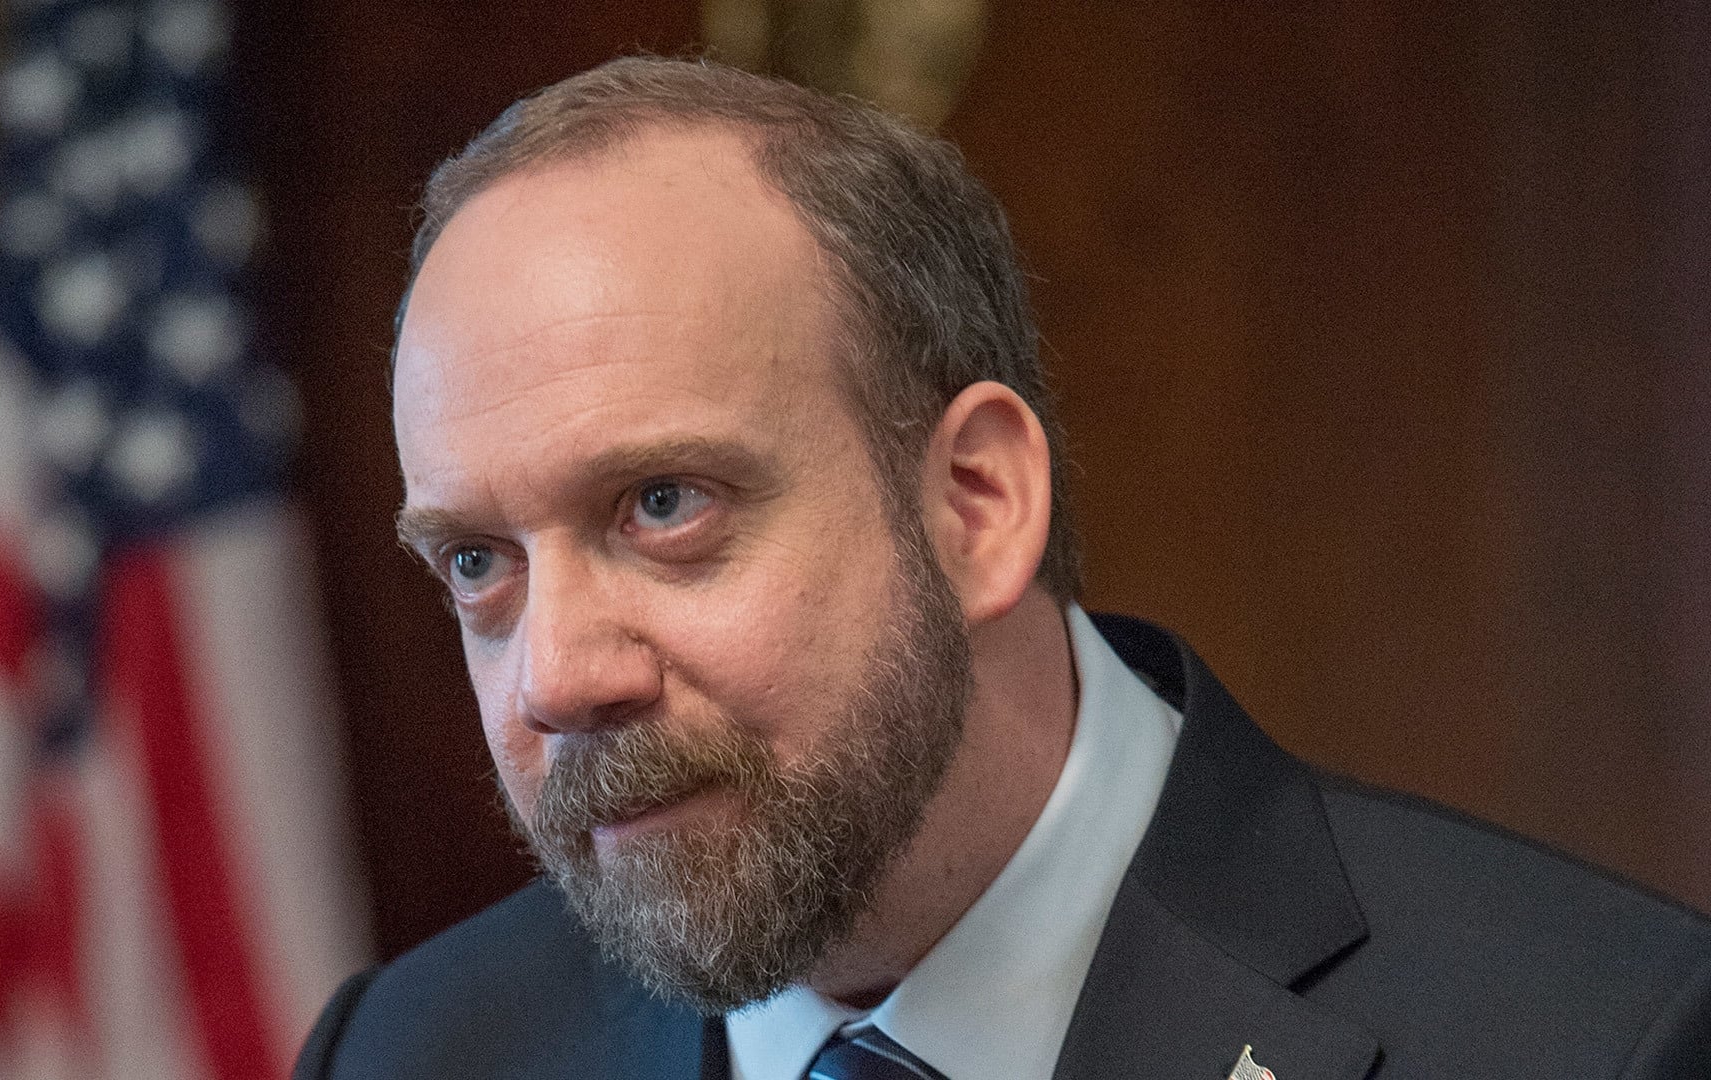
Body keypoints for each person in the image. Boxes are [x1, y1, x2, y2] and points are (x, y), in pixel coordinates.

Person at [295, 56, 1711, 1080]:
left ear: (975, 503)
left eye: (663, 506)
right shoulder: (410, 1052)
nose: (555, 679)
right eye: (477, 562)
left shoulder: (1603, 1037)